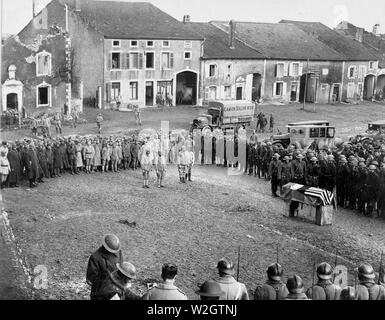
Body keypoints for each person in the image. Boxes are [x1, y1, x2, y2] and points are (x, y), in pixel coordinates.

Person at [86, 234, 123, 301]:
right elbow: (91, 278)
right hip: (100, 291)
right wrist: (106, 280)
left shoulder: (118, 252)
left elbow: (121, 266)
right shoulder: (95, 257)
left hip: (116, 287)